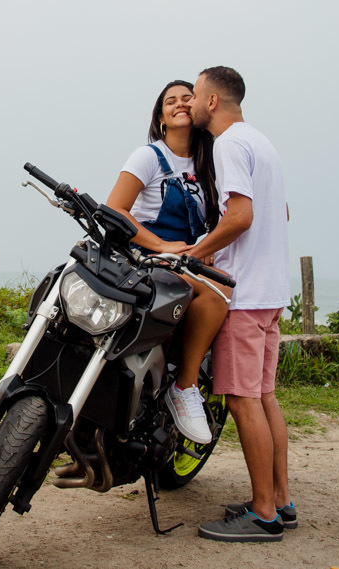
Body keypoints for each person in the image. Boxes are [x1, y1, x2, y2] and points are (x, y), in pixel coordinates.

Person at [186, 65, 296, 543]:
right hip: (271, 293)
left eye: (193, 95)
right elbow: (281, 212)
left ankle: (264, 514)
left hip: (245, 294)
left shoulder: (228, 143)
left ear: (212, 101)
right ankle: (281, 501)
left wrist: (197, 252)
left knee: (243, 399)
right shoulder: (261, 142)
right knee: (265, 396)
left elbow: (241, 216)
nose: (189, 104)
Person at [103, 79, 228, 444]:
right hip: (143, 254)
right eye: (170, 101)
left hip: (184, 260)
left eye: (188, 98)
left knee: (220, 291)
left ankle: (183, 385)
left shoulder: (213, 164)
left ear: (201, 108)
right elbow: (116, 210)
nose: (180, 104)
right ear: (160, 118)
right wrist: (160, 245)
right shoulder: (149, 156)